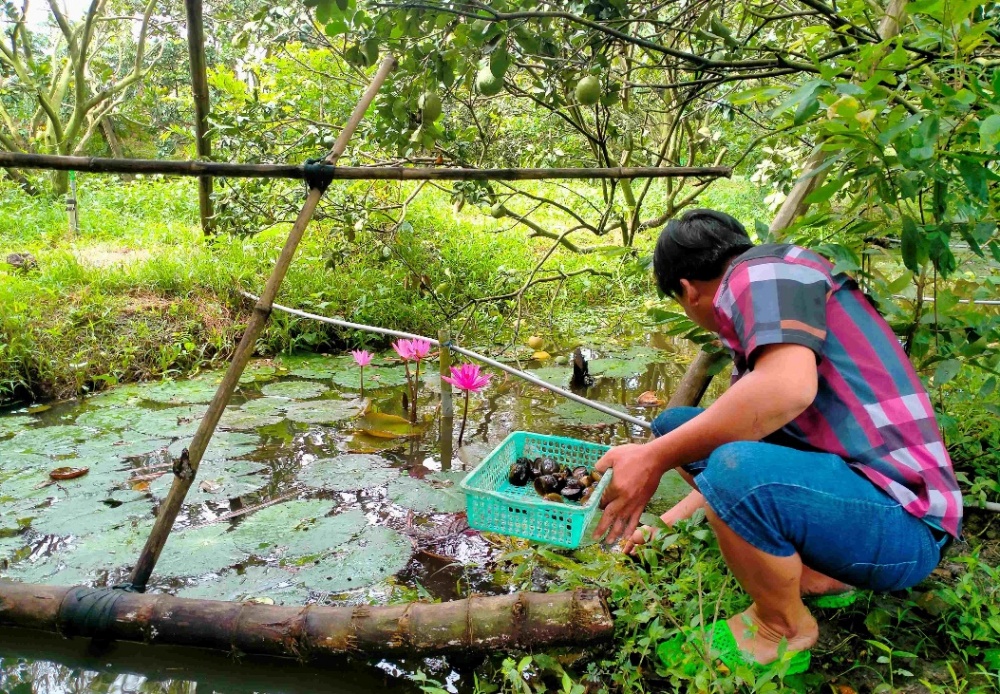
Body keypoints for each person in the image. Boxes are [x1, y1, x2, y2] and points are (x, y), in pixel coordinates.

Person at [592, 209, 962, 673]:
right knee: (679, 426)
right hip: (862, 502)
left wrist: (652, 459)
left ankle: (781, 626)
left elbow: (779, 402)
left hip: (907, 527)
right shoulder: (775, 304)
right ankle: (820, 576)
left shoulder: (760, 271)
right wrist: (660, 527)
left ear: (687, 290)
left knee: (724, 461)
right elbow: (747, 453)